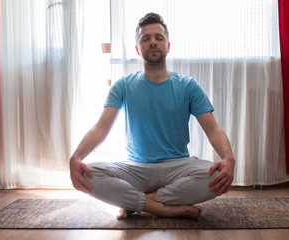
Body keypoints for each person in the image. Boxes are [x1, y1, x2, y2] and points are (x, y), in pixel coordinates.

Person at [70, 12, 235, 220]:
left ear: (168, 45)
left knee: (220, 174)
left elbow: (213, 129)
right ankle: (159, 207)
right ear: (139, 49)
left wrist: (228, 158)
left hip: (178, 167)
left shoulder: (188, 86)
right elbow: (100, 128)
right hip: (135, 169)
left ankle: (137, 202)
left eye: (159, 38)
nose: (153, 42)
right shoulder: (123, 85)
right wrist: (76, 157)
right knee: (86, 173)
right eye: (146, 39)